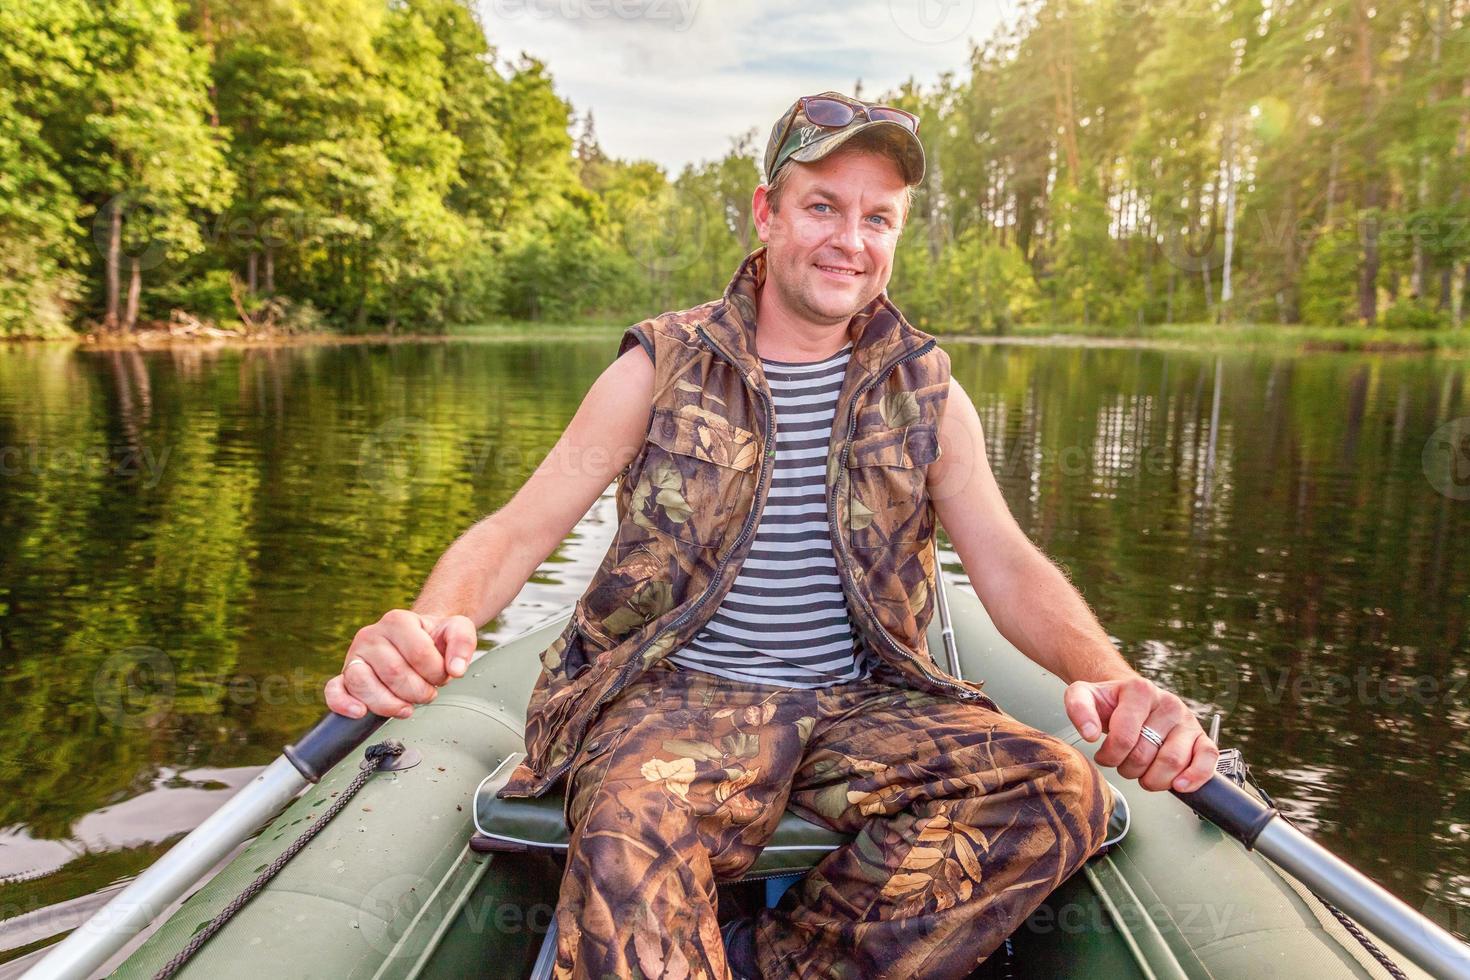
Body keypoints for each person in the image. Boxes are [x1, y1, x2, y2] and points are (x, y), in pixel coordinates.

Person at [323, 91, 1220, 979]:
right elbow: (520, 529)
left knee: (1055, 785)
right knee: (631, 817)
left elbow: (1009, 566)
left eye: (879, 218)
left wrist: (1115, 679)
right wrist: (434, 616)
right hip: (676, 698)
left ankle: (771, 963)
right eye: (823, 206)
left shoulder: (928, 390)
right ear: (767, 212)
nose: (850, 240)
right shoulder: (659, 365)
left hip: (860, 703)